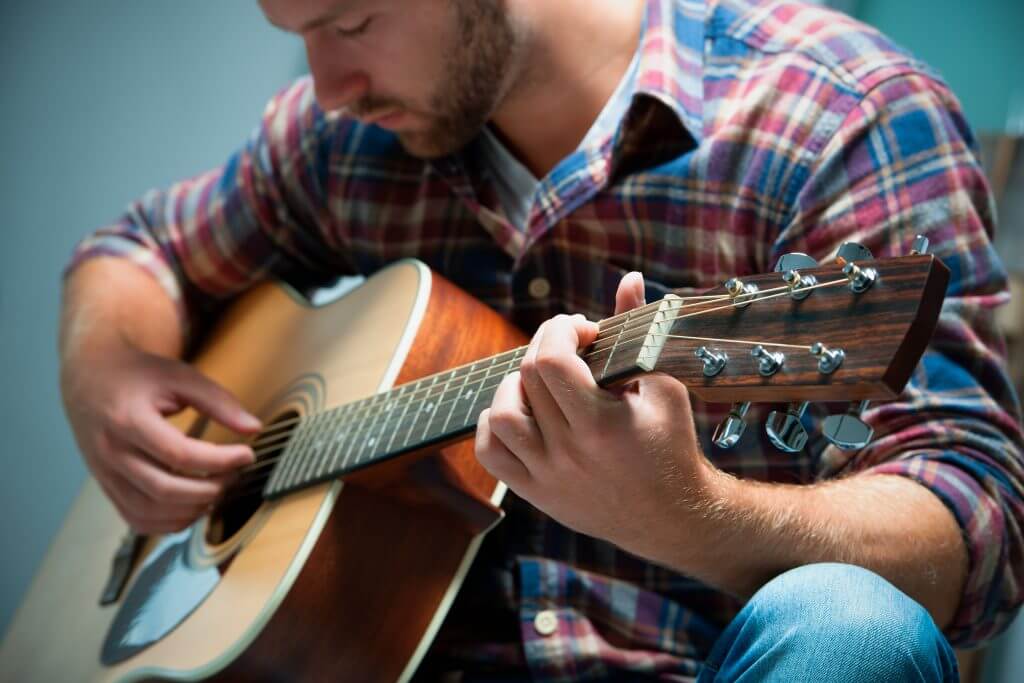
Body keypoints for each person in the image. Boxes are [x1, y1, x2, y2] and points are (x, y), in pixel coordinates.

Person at [59, 0, 1023, 680]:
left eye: (351, 23)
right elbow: (137, 250)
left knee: (853, 628)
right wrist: (104, 371)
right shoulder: (341, 139)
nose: (331, 84)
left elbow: (974, 522)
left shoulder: (839, 112)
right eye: (300, 34)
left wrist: (692, 515)